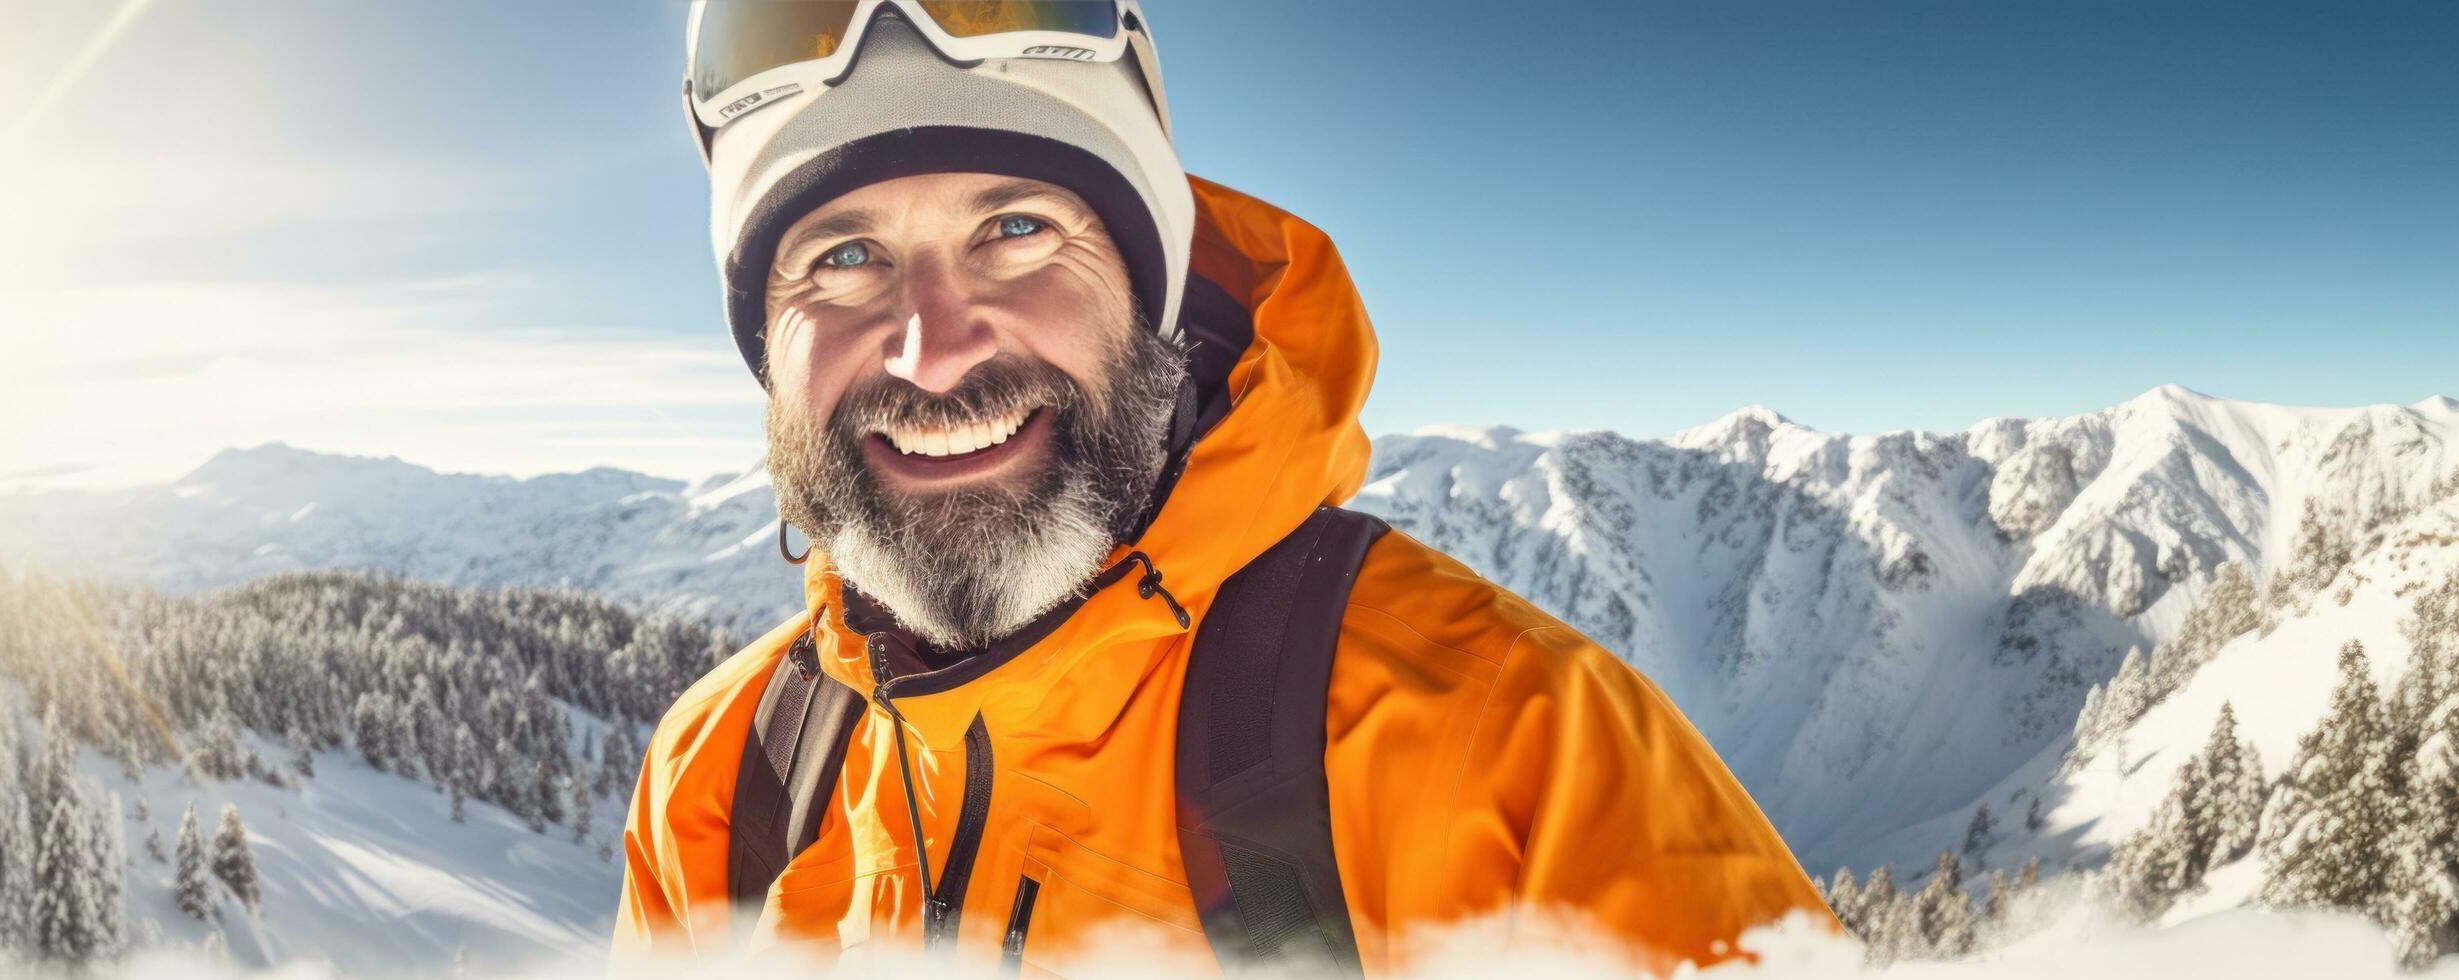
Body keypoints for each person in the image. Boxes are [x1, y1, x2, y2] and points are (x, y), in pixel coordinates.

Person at [618, 2, 1833, 974]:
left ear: (1148, 288)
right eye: (841, 259)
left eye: (1017, 230)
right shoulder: (725, 783)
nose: (932, 347)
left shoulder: (1512, 758)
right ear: (765, 349)